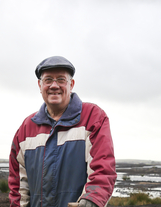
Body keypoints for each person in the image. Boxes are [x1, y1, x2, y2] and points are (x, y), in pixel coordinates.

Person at [8, 56, 117, 207]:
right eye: (48, 80)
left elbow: (103, 169)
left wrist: (91, 200)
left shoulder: (93, 117)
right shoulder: (26, 128)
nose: (54, 85)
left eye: (61, 79)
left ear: (71, 84)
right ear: (40, 85)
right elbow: (18, 185)